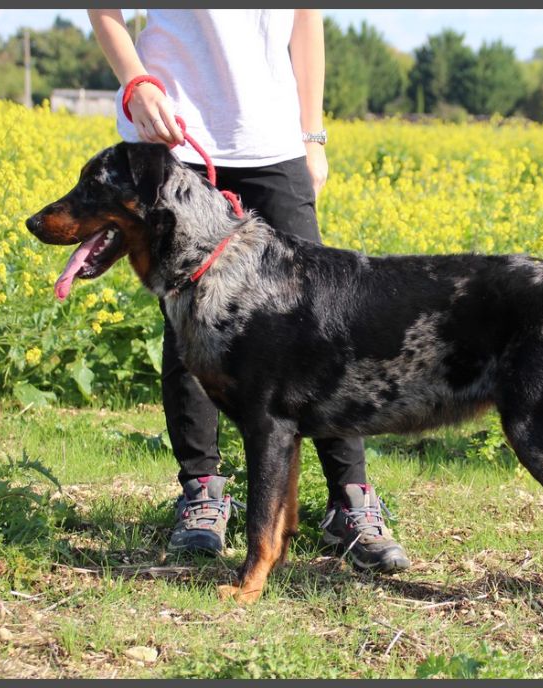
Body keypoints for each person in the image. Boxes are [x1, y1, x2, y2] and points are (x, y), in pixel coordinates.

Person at [88, 9, 409, 573]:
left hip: (272, 138)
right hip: (172, 134)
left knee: (321, 328)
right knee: (189, 323)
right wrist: (135, 82)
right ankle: (203, 493)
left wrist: (312, 134)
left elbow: (306, 20)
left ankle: (350, 499)